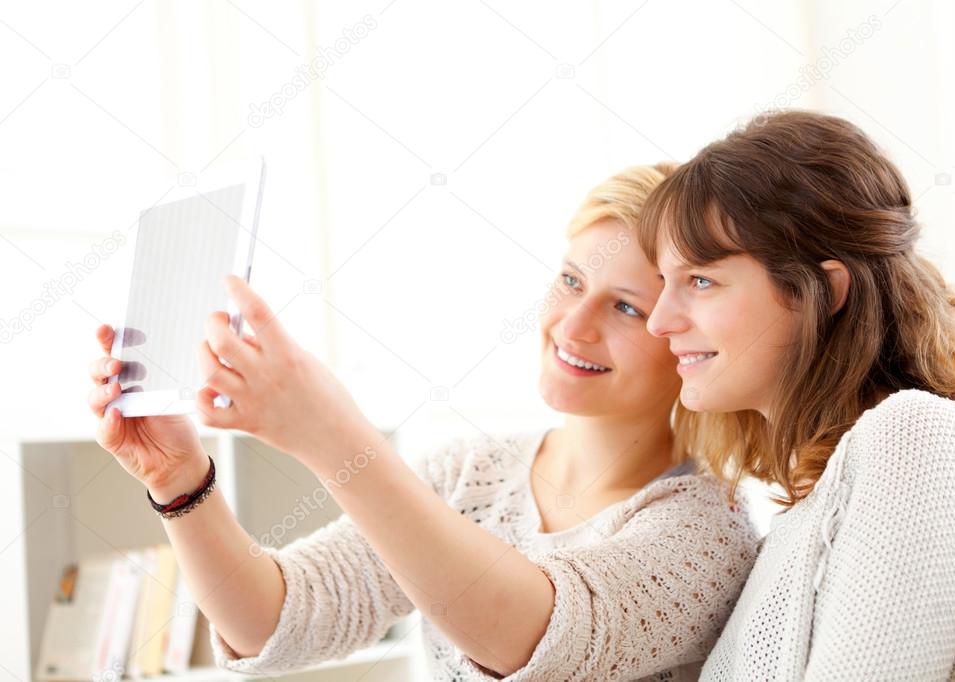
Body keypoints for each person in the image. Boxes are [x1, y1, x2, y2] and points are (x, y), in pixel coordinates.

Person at [87, 163, 758, 680]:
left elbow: (530, 639)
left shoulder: (702, 533)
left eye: (626, 309)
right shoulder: (471, 470)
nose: (571, 326)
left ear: (683, 335)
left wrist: (332, 435)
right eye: (571, 282)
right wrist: (180, 483)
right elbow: (274, 621)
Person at [639, 110, 955, 680]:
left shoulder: (915, 438)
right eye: (661, 283)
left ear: (824, 289)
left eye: (701, 281)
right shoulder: (804, 517)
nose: (659, 320)